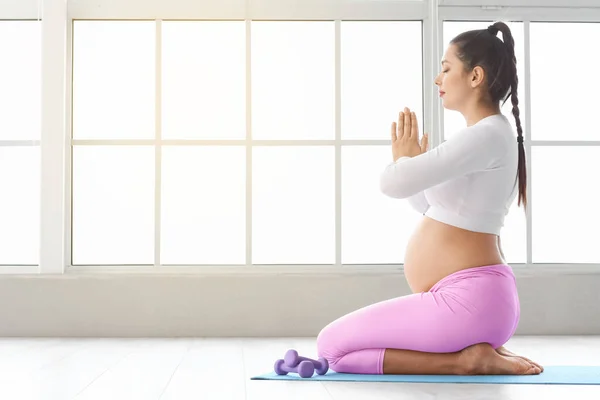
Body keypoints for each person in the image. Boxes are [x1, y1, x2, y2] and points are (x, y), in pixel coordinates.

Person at [316, 21, 544, 376]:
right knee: (338, 351)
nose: (438, 79)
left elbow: (391, 184)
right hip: (477, 302)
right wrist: (407, 165)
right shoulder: (489, 137)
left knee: (331, 347)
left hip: (469, 302)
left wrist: (405, 161)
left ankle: (465, 360)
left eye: (446, 68)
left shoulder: (484, 137)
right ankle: (478, 349)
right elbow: (429, 206)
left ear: (475, 76)